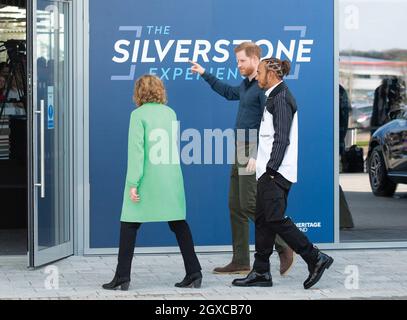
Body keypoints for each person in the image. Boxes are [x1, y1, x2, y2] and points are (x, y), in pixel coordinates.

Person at [190, 42, 294, 276]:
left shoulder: (261, 87)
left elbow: (268, 124)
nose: (238, 65)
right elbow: (228, 93)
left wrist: (257, 155)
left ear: (256, 60)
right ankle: (240, 260)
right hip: (240, 148)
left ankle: (284, 245)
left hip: (251, 150)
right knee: (235, 205)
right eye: (237, 61)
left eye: (241, 61)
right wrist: (205, 74)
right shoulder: (247, 85)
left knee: (248, 203)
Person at [232, 58, 334, 289]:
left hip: (275, 174)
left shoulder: (281, 98)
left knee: (275, 218)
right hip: (268, 172)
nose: (256, 76)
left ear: (272, 74)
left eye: (259, 72)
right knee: (263, 221)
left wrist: (270, 170)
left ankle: (315, 257)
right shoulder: (273, 96)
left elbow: (282, 138)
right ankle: (261, 272)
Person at [102, 75, 202, 291]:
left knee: (129, 225)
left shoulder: (137, 115)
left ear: (138, 92)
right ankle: (194, 272)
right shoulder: (170, 113)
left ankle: (122, 277)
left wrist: (133, 183)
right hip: (171, 178)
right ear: (160, 90)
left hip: (147, 179)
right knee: (179, 224)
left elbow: (137, 152)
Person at [339, 85, 354, 229]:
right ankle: (344, 220)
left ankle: (344, 220)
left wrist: (338, 143)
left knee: (331, 183)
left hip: (333, 144)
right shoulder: (338, 90)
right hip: (335, 142)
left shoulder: (337, 91)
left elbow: (342, 120)